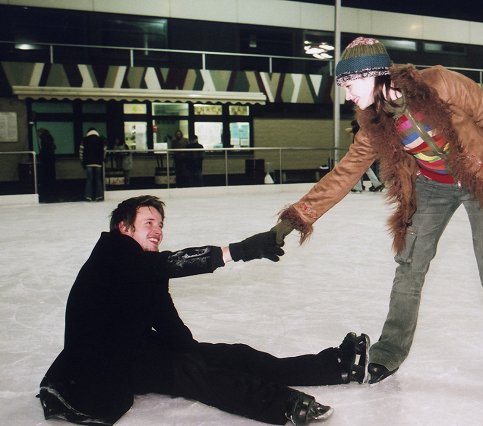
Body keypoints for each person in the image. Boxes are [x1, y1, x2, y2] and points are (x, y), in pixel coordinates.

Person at [270, 37, 483, 403]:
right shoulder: (375, 125)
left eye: (348, 84)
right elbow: (344, 174)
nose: (346, 94)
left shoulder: (439, 84)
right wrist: (295, 218)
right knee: (409, 266)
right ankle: (388, 353)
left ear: (371, 76)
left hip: (478, 181)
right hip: (433, 189)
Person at [38, 195, 369, 425]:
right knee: (191, 373)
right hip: (99, 366)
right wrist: (239, 250)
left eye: (160, 223)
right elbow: (175, 262)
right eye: (148, 222)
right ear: (124, 229)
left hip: (132, 352)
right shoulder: (112, 252)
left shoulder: (145, 268)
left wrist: (196, 351)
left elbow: (168, 324)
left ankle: (331, 367)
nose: (158, 229)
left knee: (231, 356)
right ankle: (285, 406)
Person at [348, 120, 383, 193]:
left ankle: (358, 187)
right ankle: (377, 184)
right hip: (365, 152)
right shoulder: (365, 132)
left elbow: (350, 129)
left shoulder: (358, 130)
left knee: (356, 170)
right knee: (367, 169)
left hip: (359, 152)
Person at [79, 127, 106, 201]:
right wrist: (102, 160)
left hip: (88, 163)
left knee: (89, 180)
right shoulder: (101, 140)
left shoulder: (84, 140)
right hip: (98, 163)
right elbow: (104, 151)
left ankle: (88, 197)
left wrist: (82, 162)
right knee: (98, 180)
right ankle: (99, 196)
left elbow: (81, 152)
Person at [37, 128, 57, 193]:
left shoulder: (44, 139)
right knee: (51, 172)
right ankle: (51, 186)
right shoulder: (49, 138)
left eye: (38, 133)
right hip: (50, 158)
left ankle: (47, 186)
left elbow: (45, 149)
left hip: (46, 158)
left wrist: (41, 155)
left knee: (46, 172)